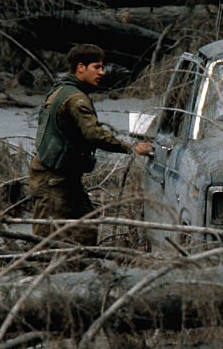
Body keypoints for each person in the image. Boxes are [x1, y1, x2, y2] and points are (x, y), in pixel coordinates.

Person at [28, 44, 153, 245]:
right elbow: (93, 134)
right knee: (46, 241)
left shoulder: (61, 89)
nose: (102, 72)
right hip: (52, 180)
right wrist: (130, 148)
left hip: (63, 178)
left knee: (86, 228)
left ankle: (82, 271)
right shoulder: (76, 99)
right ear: (81, 67)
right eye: (97, 67)